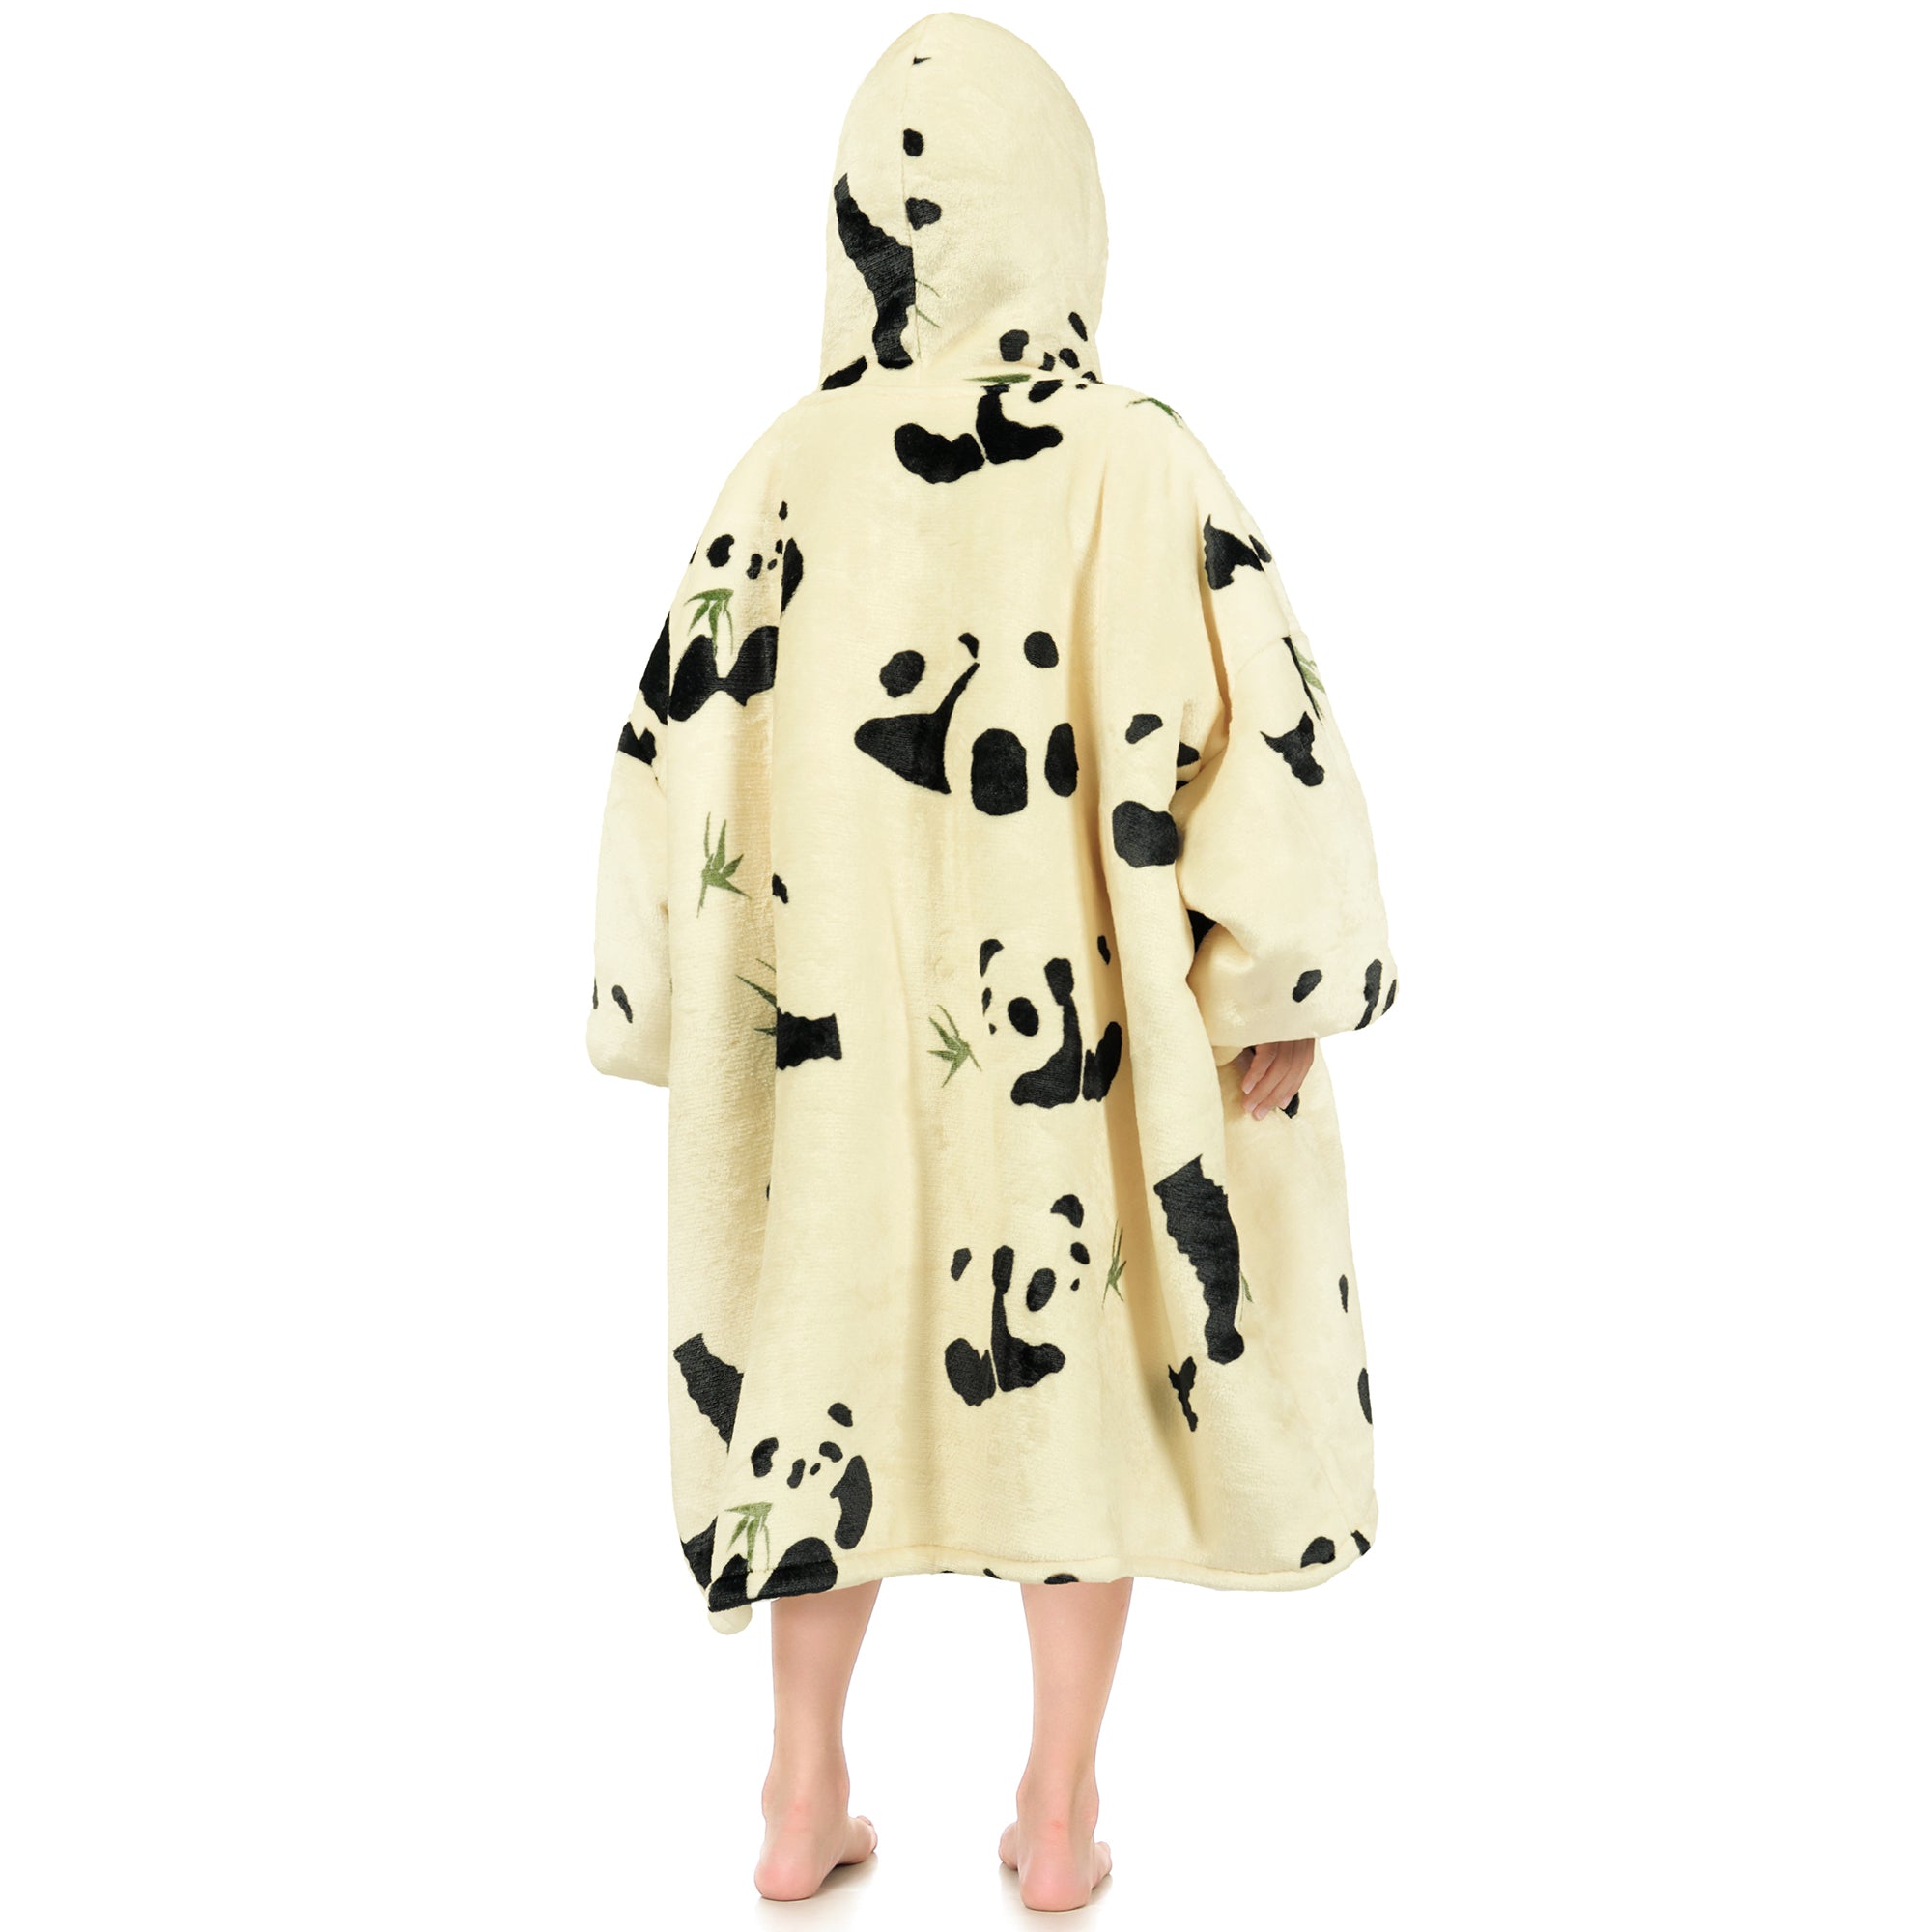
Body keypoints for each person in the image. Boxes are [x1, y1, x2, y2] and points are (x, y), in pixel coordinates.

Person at [585, 12, 1397, 1911]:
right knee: (1076, 1396)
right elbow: (1257, 726)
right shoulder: (1141, 462)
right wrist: (1283, 975)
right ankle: (1057, 1814)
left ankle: (800, 1796)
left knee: (819, 1378)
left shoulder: (777, 476)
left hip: (831, 1065)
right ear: (1065, 212)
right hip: (1085, 1046)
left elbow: (671, 745)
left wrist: (657, 1003)